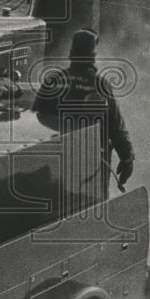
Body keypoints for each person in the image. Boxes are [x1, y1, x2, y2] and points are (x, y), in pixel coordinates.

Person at [32, 29, 134, 193]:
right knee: (89, 204)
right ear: (93, 56)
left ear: (71, 53)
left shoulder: (52, 81)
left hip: (53, 159)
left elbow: (34, 120)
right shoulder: (101, 86)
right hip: (90, 161)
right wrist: (127, 158)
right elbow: (116, 128)